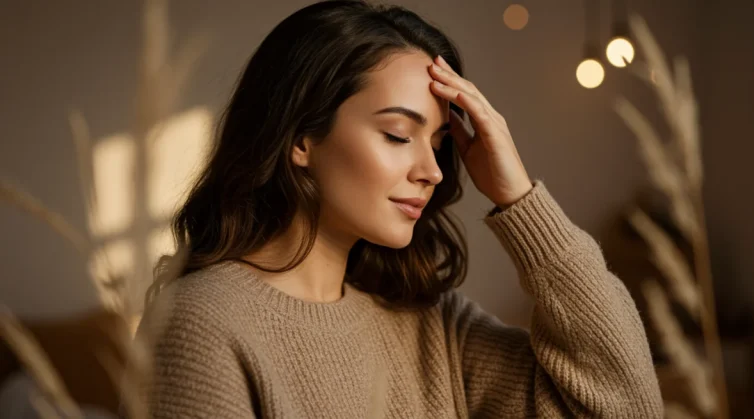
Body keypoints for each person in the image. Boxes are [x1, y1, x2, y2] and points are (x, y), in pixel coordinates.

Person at [136, 1, 663, 417]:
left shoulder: (432, 324)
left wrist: (519, 198)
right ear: (300, 138)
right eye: (396, 134)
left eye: (437, 143)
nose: (432, 171)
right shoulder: (201, 322)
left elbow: (627, 408)